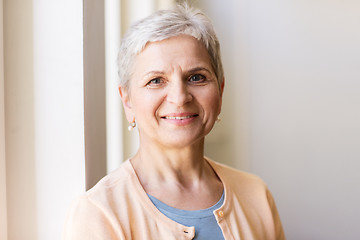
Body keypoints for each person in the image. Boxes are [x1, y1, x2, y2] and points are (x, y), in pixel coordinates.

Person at [63, 4, 285, 240]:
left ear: (220, 91)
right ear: (127, 101)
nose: (180, 98)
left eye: (196, 77)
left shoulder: (256, 195)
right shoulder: (98, 213)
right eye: (156, 80)